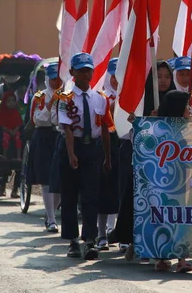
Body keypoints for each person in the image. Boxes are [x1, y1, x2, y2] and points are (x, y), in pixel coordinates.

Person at [110, 60, 177, 257]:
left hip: (169, 164)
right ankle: (134, 240)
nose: (163, 81)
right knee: (141, 201)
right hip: (145, 162)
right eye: (159, 77)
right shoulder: (143, 101)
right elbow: (131, 128)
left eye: (167, 77)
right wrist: (143, 118)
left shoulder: (177, 100)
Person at [57, 52, 113, 261]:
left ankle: (90, 240)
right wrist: (71, 154)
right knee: (70, 195)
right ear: (72, 72)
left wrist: (107, 157)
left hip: (93, 149)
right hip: (72, 147)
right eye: (81, 70)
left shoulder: (100, 98)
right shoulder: (66, 98)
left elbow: (106, 128)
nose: (85, 74)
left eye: (88, 70)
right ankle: (72, 241)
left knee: (91, 196)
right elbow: (68, 128)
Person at [152, 90, 192, 273]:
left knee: (181, 220)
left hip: (182, 183)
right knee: (162, 220)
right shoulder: (158, 129)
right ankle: (161, 258)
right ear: (177, 108)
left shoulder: (189, 128)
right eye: (186, 106)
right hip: (161, 184)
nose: (190, 109)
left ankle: (182, 259)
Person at [28, 62, 63, 233]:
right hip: (43, 137)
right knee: (46, 180)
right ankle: (51, 218)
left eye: (59, 79)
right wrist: (51, 104)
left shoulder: (67, 95)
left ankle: (51, 213)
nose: (56, 83)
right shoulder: (39, 97)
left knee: (60, 179)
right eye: (53, 79)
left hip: (60, 136)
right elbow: (38, 120)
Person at [96, 58, 120, 251]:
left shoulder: (131, 95)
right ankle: (101, 233)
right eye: (114, 75)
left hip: (125, 143)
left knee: (121, 190)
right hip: (108, 141)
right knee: (104, 190)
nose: (116, 80)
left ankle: (118, 232)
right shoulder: (101, 96)